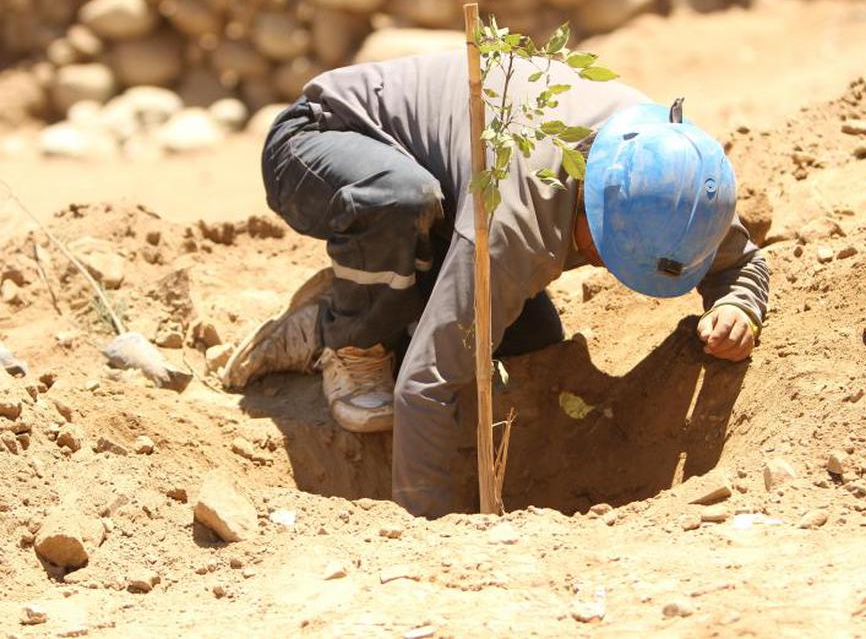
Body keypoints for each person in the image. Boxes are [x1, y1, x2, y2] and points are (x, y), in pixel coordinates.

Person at [223, 50, 770, 518]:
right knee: (402, 201)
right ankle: (346, 338)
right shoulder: (518, 220)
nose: (603, 266)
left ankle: (355, 304)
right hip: (323, 143)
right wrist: (429, 530)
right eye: (604, 250)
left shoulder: (670, 178)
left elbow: (739, 262)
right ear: (590, 195)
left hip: (447, 197)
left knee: (531, 347)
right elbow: (426, 386)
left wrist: (739, 307)